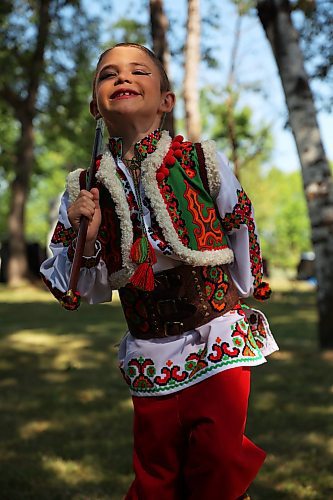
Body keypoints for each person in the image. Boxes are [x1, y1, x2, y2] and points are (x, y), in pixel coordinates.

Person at [40, 42, 278, 500]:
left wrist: (241, 288)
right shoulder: (83, 188)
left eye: (138, 72)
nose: (122, 79)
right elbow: (79, 288)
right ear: (96, 105)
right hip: (149, 341)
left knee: (219, 456)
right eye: (108, 74)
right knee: (157, 470)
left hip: (214, 333)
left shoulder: (198, 160)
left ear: (166, 101)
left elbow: (238, 219)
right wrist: (85, 236)